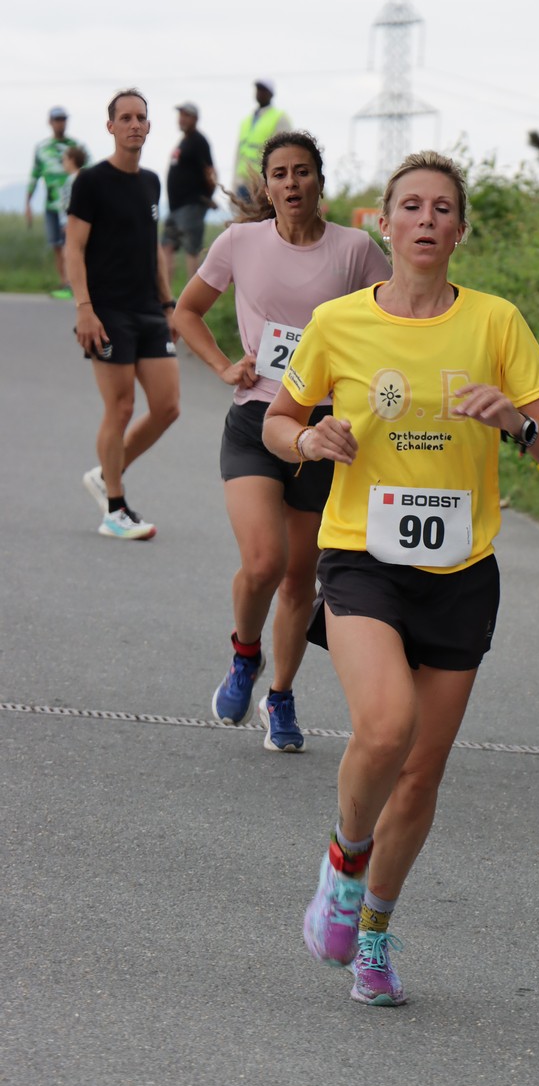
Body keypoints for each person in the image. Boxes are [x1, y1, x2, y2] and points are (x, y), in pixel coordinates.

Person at [262, 151, 539, 1006]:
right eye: (412, 206)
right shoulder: (338, 322)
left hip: (461, 573)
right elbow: (280, 421)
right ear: (385, 223)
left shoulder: (496, 323)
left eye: (443, 208)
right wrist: (309, 439)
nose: (427, 219)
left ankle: (373, 933)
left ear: (460, 229)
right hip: (362, 557)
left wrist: (516, 422)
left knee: (421, 773)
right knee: (385, 728)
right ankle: (343, 864)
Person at [174, 130, 391, 748]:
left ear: (319, 180)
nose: (292, 183)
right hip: (257, 420)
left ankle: (281, 698)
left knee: (300, 579)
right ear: (266, 188)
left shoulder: (355, 249)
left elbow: (392, 319)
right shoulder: (239, 242)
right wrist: (224, 366)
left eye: (302, 171)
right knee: (264, 562)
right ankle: (245, 654)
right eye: (280, 174)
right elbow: (186, 311)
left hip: (323, 431)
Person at [64, 89, 180, 541]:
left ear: (149, 126)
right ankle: (115, 508)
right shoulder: (91, 182)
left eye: (141, 118)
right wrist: (84, 309)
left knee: (167, 407)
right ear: (110, 126)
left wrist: (168, 305)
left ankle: (105, 473)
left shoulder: (151, 182)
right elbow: (74, 249)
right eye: (125, 118)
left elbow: (151, 249)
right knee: (122, 407)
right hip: (106, 311)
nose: (134, 124)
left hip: (148, 310)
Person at [25, 107, 87, 297]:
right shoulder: (42, 148)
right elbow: (34, 175)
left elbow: (89, 171)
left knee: (73, 246)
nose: (61, 123)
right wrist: (28, 203)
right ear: (50, 122)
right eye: (57, 119)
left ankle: (76, 283)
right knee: (57, 246)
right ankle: (65, 282)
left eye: (63, 119)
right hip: (53, 206)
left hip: (73, 208)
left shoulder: (75, 146)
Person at [161, 102, 217, 284]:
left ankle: (192, 298)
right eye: (181, 115)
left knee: (192, 250)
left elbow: (210, 171)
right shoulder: (183, 141)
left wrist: (208, 197)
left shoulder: (198, 141)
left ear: (195, 119)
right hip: (175, 207)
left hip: (191, 205)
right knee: (166, 246)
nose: (182, 119)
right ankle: (165, 297)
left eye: (186, 115)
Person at [233, 79, 291, 199]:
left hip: (264, 182)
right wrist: (235, 182)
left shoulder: (279, 117)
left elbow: (285, 152)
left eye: (263, 90)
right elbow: (238, 154)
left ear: (271, 94)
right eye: (258, 89)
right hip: (243, 183)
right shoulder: (246, 121)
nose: (260, 93)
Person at [58, 145, 89, 232]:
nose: (62, 163)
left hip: (73, 225)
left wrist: (67, 223)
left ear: (71, 160)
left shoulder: (74, 180)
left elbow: (70, 203)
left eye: (64, 160)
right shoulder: (83, 177)